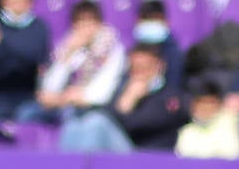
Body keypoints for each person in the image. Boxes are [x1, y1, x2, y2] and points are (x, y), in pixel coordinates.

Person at [58, 44, 189, 153]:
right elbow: (106, 111)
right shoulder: (122, 89)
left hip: (146, 157)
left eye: (143, 68)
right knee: (73, 124)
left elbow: (139, 125)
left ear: (158, 66)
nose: (138, 74)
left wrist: (127, 104)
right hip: (121, 149)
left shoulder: (170, 96)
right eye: (134, 69)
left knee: (97, 124)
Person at [24, 0, 126, 125]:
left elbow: (101, 94)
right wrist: (68, 53)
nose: (85, 28)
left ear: (99, 23)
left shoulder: (112, 48)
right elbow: (50, 87)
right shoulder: (69, 45)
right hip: (63, 104)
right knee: (28, 112)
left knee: (71, 116)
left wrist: (64, 99)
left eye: (90, 21)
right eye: (80, 22)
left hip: (93, 109)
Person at [175, 77, 239, 159]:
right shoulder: (186, 131)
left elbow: (234, 154)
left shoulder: (231, 124)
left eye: (211, 103)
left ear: (219, 104)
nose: (206, 108)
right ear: (194, 106)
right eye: (202, 103)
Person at [131, 0, 186, 89]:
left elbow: (174, 87)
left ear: (165, 21)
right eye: (147, 18)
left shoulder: (174, 54)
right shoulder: (131, 51)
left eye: (155, 19)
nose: (151, 23)